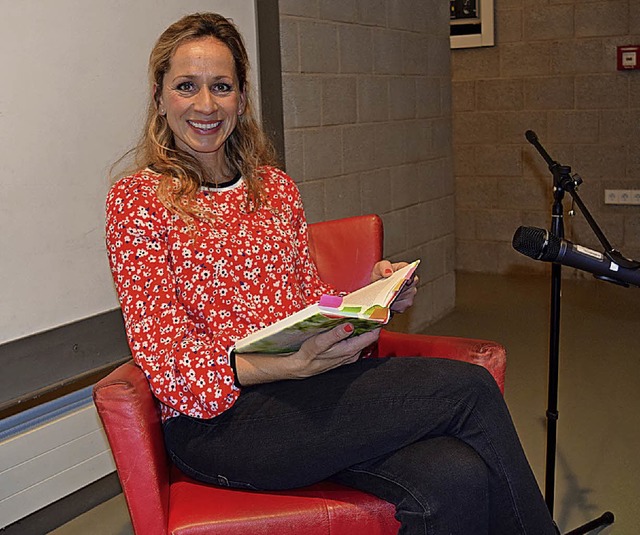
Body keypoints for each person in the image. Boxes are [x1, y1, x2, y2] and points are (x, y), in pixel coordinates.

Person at [106, 12, 557, 534]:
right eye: (187, 86)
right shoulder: (138, 202)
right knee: (471, 387)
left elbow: (309, 302)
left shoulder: (274, 188)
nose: (205, 105)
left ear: (241, 99)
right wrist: (278, 369)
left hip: (312, 395)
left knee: (455, 478)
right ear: (160, 97)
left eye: (221, 87)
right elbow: (165, 359)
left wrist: (371, 295)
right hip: (220, 424)